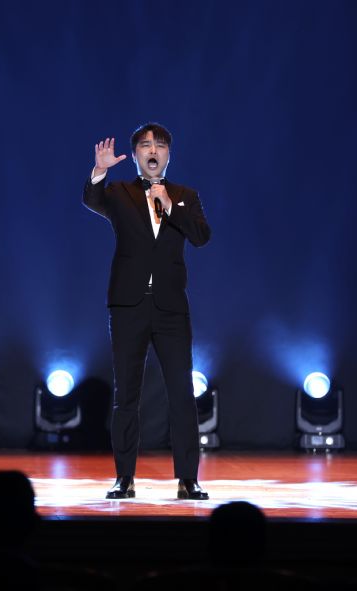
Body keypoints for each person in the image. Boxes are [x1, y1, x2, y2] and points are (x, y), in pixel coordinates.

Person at [83, 122, 212, 500]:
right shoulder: (119, 193)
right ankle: (124, 478)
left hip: (171, 308)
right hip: (128, 305)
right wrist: (99, 170)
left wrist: (170, 206)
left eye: (159, 145)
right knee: (127, 394)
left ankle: (188, 479)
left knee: (182, 394)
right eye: (144, 145)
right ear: (136, 155)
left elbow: (201, 236)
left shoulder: (185, 196)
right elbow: (92, 199)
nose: (152, 150)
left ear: (169, 154)